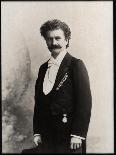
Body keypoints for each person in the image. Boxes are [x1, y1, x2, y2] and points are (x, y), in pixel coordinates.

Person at [22, 19, 92, 154]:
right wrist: (37, 132)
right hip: (47, 135)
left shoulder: (75, 65)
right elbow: (39, 103)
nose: (54, 43)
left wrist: (77, 134)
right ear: (46, 41)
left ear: (66, 40)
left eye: (58, 38)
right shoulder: (43, 68)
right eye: (49, 39)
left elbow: (85, 103)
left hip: (69, 137)